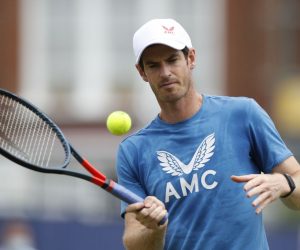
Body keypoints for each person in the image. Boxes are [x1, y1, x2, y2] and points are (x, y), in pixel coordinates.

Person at [115, 18, 300, 250]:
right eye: (153, 65)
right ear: (142, 72)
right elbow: (134, 243)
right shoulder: (133, 151)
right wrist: (154, 227)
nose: (165, 73)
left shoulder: (243, 113)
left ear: (190, 58)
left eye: (173, 60)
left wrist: (285, 183)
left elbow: (297, 183)